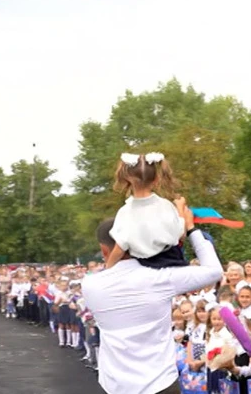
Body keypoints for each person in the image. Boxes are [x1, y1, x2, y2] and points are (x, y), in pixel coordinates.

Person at [82, 206, 223, 394]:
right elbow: (214, 271)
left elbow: (112, 268)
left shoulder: (90, 284)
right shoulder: (159, 278)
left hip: (115, 384)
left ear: (103, 250)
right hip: (160, 382)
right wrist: (190, 229)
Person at [105, 152, 186, 270]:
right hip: (174, 262)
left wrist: (108, 268)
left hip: (144, 267)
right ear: (156, 179)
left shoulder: (125, 212)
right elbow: (181, 235)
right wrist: (180, 208)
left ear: (127, 177)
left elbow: (120, 247)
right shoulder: (166, 206)